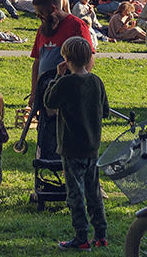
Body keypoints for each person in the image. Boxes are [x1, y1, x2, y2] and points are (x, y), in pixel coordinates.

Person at [43, 36, 110, 250]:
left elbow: (49, 102)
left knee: (75, 193)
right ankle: (100, 234)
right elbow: (106, 111)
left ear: (66, 58)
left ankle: (81, 237)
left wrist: (57, 76)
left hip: (71, 147)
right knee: (94, 192)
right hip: (92, 146)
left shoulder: (66, 82)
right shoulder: (96, 81)